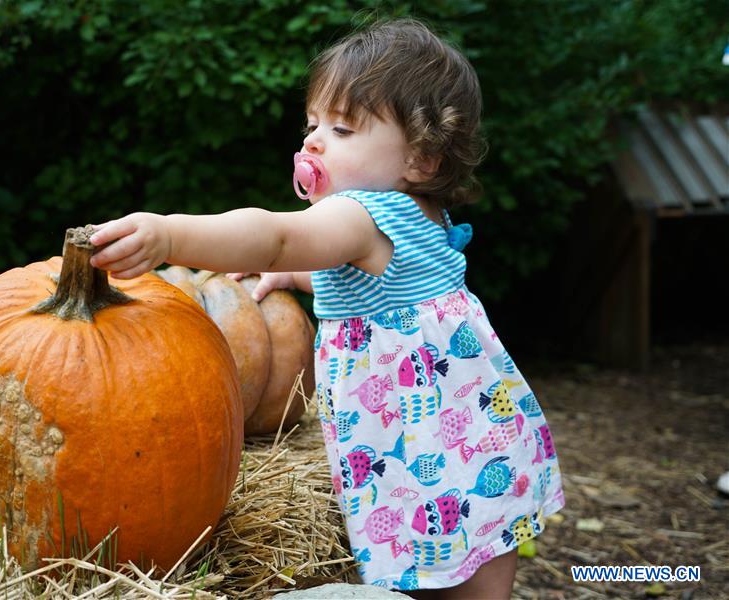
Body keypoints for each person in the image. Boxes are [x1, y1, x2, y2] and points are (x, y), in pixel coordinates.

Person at [89, 18, 564, 599]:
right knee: (477, 563)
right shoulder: (416, 217)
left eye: (342, 128)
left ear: (423, 160)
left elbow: (275, 235)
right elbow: (383, 293)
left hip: (429, 447)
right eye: (313, 124)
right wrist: (297, 276)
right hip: (470, 434)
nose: (313, 140)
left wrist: (168, 235)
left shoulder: (363, 212)